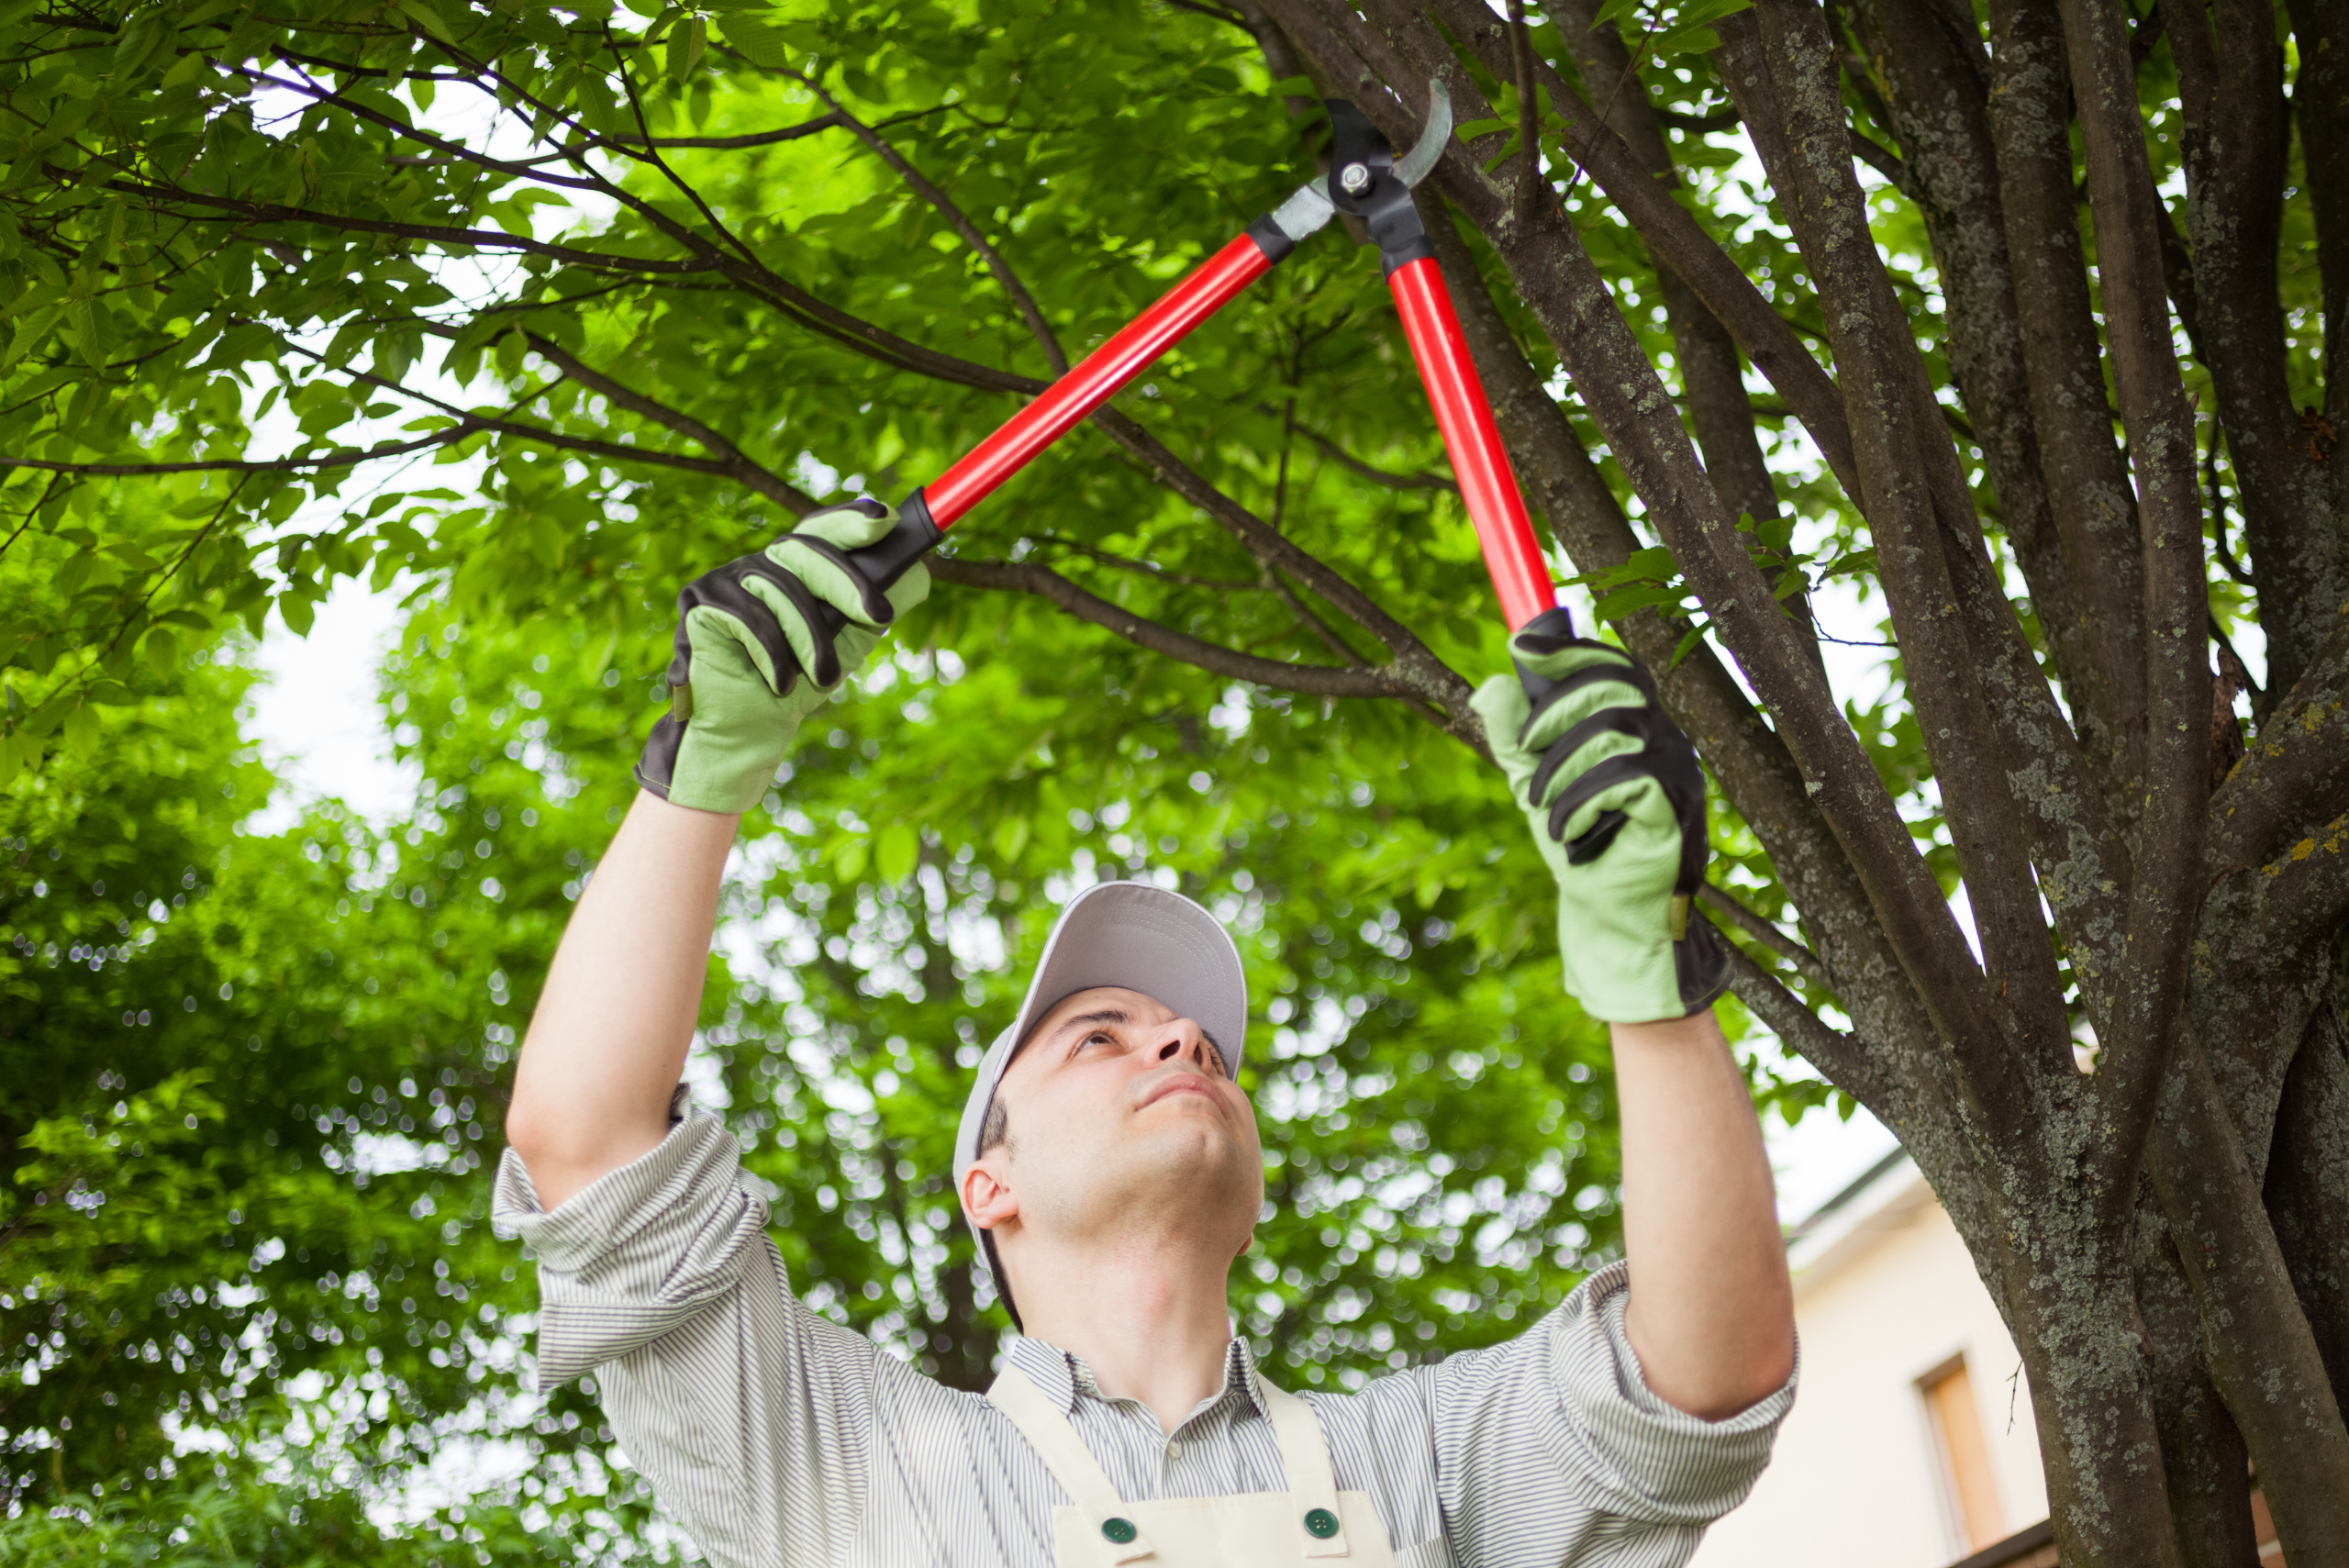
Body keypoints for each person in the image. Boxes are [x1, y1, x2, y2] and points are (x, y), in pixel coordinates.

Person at [495, 505, 1797, 1567]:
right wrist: (704, 769)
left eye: (1205, 1051)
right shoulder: (850, 1464)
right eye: (1100, 1038)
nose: (1180, 1046)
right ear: (985, 1185)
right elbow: (590, 1149)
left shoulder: (1422, 1461)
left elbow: (1705, 1379)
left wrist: (1650, 971)